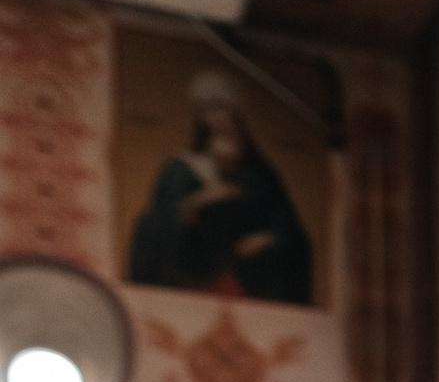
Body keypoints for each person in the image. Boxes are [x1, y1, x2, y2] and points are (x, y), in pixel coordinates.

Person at [125, 71, 314, 303]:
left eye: (221, 107)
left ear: (234, 111)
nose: (215, 116)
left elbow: (292, 233)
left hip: (249, 286)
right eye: (206, 108)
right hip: (195, 282)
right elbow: (154, 228)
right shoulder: (180, 169)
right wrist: (193, 205)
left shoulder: (260, 175)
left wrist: (268, 239)